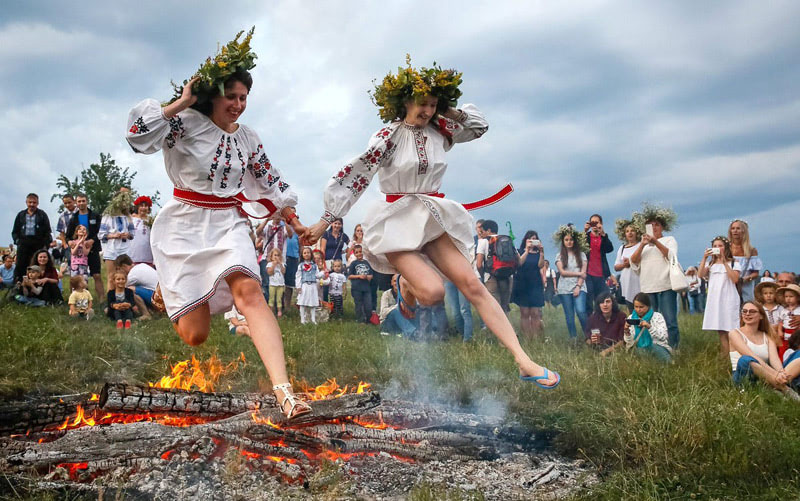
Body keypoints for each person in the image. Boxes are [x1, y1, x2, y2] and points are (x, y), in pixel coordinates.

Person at [305, 59, 559, 388]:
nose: (427, 110)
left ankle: (523, 360)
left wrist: (448, 111)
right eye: (422, 103)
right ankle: (403, 303)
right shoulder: (388, 135)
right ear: (404, 102)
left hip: (432, 216)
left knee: (473, 286)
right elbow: (357, 174)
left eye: (433, 103)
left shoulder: (442, 130)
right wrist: (325, 221)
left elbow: (480, 127)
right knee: (434, 292)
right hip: (395, 223)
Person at [125, 37, 311, 419]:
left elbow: (268, 180)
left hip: (228, 221)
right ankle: (156, 280)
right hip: (183, 223)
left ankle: (285, 393)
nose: (238, 105)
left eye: (244, 97)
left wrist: (294, 222)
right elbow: (136, 136)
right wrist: (181, 102)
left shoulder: (248, 138)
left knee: (250, 292)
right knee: (196, 335)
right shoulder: (183, 124)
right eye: (231, 96)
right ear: (212, 95)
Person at [629, 204, 680, 348]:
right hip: (648, 287)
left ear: (662, 227)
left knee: (669, 320)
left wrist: (655, 242)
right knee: (649, 319)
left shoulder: (669, 240)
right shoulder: (643, 245)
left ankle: (673, 348)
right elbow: (633, 262)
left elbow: (671, 256)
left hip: (666, 285)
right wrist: (643, 244)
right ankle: (654, 347)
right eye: (650, 225)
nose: (654, 227)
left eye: (656, 225)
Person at [729, 301, 796, 399]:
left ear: (761, 316)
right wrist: (775, 374)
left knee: (797, 354)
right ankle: (785, 389)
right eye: (744, 311)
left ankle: (776, 385)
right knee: (745, 360)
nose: (747, 314)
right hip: (744, 375)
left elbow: (774, 359)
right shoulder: (734, 333)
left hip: (765, 377)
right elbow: (752, 356)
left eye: (752, 311)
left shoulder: (767, 336)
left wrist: (781, 372)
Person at [699, 236, 742, 356]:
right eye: (715, 246)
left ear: (726, 247)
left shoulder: (734, 262)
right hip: (715, 298)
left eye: (720, 246)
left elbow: (734, 279)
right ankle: (725, 356)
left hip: (729, 298)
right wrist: (704, 258)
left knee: (731, 328)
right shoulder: (711, 264)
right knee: (721, 329)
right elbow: (700, 274)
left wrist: (724, 262)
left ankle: (735, 354)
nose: (717, 248)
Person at [66, 193, 104, 302]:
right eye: (79, 201)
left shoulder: (95, 216)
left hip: (92, 249)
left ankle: (101, 299)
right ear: (76, 203)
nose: (81, 203)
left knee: (96, 275)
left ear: (87, 201)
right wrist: (69, 243)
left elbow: (100, 231)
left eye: (83, 201)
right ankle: (74, 300)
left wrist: (92, 240)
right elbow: (68, 235)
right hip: (78, 253)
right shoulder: (74, 218)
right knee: (76, 277)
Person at [554, 224, 588, 340]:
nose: (569, 242)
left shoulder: (582, 255)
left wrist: (578, 286)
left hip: (579, 286)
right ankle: (573, 338)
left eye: (571, 240)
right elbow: (562, 272)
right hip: (564, 288)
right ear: (563, 241)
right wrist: (579, 273)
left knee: (581, 311)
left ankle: (588, 336)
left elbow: (584, 273)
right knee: (569, 315)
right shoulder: (559, 256)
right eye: (566, 240)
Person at [99, 189, 136, 292]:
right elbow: (101, 235)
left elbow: (132, 233)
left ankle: (125, 299)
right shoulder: (107, 216)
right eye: (123, 201)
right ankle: (111, 301)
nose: (125, 204)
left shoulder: (127, 217)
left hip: (124, 249)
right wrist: (113, 235)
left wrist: (127, 235)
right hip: (111, 249)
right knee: (111, 276)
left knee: (125, 276)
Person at [11, 193, 52, 284]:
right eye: (30, 202)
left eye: (34, 202)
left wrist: (45, 246)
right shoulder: (21, 215)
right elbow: (15, 231)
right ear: (26, 202)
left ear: (38, 203)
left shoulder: (42, 215)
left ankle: (36, 286)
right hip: (23, 243)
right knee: (20, 266)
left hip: (37, 243)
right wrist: (17, 241)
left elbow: (47, 231)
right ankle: (19, 286)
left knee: (36, 266)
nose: (32, 204)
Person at [511, 230, 545, 338]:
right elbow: (519, 262)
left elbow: (540, 265)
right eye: (530, 239)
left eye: (535, 239)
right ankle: (526, 336)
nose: (533, 241)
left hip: (535, 283)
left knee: (535, 312)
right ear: (526, 240)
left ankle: (535, 336)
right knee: (524, 313)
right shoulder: (520, 251)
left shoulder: (538, 253)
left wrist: (542, 252)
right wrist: (527, 250)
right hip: (522, 283)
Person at [476, 220, 513, 315]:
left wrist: (483, 276)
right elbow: (518, 260)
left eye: (482, 231)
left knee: (494, 309)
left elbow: (479, 264)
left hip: (491, 278)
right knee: (504, 307)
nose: (481, 234)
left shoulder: (483, 242)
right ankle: (507, 329)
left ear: (488, 230)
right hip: (507, 277)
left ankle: (496, 329)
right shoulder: (507, 240)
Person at [624, 293, 672, 362]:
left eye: (641, 307)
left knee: (657, 350)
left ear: (648, 306)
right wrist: (626, 331)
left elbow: (663, 336)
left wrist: (649, 327)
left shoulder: (657, 316)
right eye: (636, 307)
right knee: (639, 352)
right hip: (638, 348)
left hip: (657, 346)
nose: (638, 309)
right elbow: (629, 342)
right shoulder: (631, 318)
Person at [584, 214, 614, 312]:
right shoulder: (586, 237)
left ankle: (602, 323)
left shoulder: (603, 237)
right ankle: (590, 324)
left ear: (601, 223)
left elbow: (610, 249)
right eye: (593, 222)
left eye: (597, 222)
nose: (595, 225)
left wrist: (603, 233)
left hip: (601, 274)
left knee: (602, 299)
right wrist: (584, 231)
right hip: (588, 273)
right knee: (589, 300)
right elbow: (578, 246)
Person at [114, 254, 158, 320]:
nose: (118, 272)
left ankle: (146, 314)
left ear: (124, 266)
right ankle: (152, 311)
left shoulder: (132, 275)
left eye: (118, 269)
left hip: (158, 298)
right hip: (162, 295)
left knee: (129, 290)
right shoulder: (141, 265)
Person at [728, 219, 761, 302]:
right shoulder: (726, 248)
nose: (735, 231)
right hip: (729, 284)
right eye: (733, 228)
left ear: (743, 231)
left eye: (738, 228)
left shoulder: (751, 250)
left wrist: (746, 279)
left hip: (745, 286)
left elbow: (756, 273)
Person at [585, 292, 626, 356]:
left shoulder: (621, 316)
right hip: (598, 350)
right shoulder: (593, 318)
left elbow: (623, 341)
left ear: (613, 303)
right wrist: (591, 340)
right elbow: (587, 339)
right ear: (598, 305)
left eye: (608, 302)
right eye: (602, 302)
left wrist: (607, 351)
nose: (605, 305)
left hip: (617, 350)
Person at [613, 219, 641, 309]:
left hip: (640, 282)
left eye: (632, 231)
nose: (630, 233)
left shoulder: (641, 245)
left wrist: (631, 262)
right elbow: (616, 267)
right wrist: (624, 265)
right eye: (627, 231)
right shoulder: (622, 248)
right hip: (626, 284)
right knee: (632, 311)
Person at [295, 246, 322, 324]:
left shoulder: (314, 266)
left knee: (313, 303)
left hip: (313, 285)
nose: (306, 254)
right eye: (305, 253)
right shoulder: (301, 266)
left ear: (311, 254)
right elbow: (298, 276)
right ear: (302, 255)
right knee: (303, 302)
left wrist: (323, 274)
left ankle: (313, 319)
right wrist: (298, 286)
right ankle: (302, 319)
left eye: (308, 253)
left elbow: (317, 275)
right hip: (304, 285)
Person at [348, 245, 374, 324]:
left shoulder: (367, 263)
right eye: (357, 252)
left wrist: (367, 276)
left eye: (360, 252)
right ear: (354, 254)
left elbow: (371, 275)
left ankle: (369, 320)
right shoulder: (353, 263)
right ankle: (360, 320)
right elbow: (349, 276)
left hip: (366, 288)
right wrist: (359, 276)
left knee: (368, 304)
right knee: (358, 304)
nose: (359, 254)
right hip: (356, 288)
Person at [129, 195, 154, 266]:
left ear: (148, 208)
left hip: (147, 254)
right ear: (137, 207)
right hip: (133, 253)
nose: (143, 208)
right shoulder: (131, 219)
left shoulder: (151, 221)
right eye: (141, 206)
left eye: (146, 206)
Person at [777, 284, 800, 360]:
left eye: (791, 296)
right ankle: (783, 364)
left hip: (797, 334)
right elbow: (781, 322)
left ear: (798, 298)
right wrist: (780, 331)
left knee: (796, 349)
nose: (788, 299)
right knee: (783, 350)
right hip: (786, 334)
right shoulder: (784, 310)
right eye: (786, 297)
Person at [55, 194, 78, 267]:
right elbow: (61, 232)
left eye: (69, 202)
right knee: (71, 261)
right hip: (69, 241)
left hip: (80, 240)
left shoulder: (80, 212)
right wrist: (64, 244)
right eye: (65, 203)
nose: (68, 205)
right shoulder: (62, 216)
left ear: (74, 201)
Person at [266, 248, 286, 318]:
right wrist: (273, 265)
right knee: (271, 298)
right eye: (274, 255)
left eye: (278, 255)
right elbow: (269, 272)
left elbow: (283, 272)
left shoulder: (282, 264)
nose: (276, 257)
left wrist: (280, 264)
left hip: (280, 284)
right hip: (272, 284)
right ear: (271, 257)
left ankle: (279, 311)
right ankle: (271, 312)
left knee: (279, 299)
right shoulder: (269, 264)